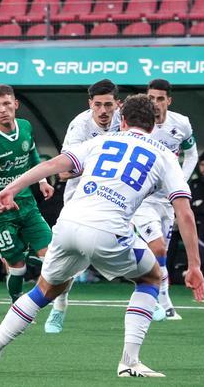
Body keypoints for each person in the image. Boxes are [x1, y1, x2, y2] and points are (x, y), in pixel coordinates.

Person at [0, 94, 203, 378]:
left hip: (68, 224)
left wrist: (12, 188)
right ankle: (129, 362)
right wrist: (194, 266)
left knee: (45, 288)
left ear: (124, 121)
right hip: (107, 229)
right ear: (154, 124)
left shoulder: (101, 141)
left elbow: (54, 164)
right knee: (151, 278)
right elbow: (185, 213)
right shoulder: (166, 155)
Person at [44, 79, 121, 334]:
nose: (103, 111)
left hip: (115, 200)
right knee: (68, 257)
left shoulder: (125, 121)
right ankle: (60, 304)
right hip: (80, 199)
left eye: (108, 105)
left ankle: (156, 297)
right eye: (97, 105)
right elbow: (64, 171)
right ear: (90, 104)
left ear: (117, 104)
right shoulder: (79, 126)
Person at [0, 84, 54, 305]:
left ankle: (50, 299)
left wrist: (42, 180)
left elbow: (31, 153)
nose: (3, 109)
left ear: (16, 104)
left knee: (51, 257)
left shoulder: (25, 127)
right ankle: (16, 302)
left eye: (6, 103)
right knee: (17, 267)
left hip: (27, 204)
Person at [130, 78, 198, 320]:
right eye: (151, 98)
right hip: (142, 200)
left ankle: (156, 297)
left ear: (169, 100)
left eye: (160, 99)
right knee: (156, 247)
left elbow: (191, 155)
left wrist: (178, 183)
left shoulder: (182, 124)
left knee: (162, 253)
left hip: (166, 200)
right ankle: (164, 302)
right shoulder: (137, 126)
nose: (155, 104)